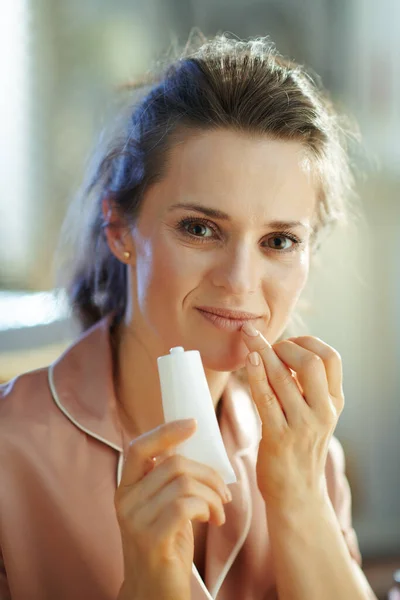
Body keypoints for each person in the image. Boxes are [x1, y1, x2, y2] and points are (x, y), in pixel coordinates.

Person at [0, 31, 377, 600]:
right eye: (201, 229)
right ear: (120, 229)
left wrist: (300, 498)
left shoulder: (311, 453)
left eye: (279, 240)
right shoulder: (9, 451)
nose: (240, 281)